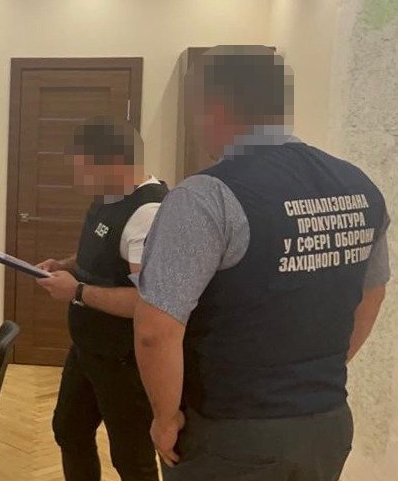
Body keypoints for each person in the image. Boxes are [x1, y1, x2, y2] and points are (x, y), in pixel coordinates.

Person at [134, 45, 390, 481]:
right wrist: (315, 376)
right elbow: (373, 292)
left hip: (231, 434)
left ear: (214, 108)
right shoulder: (358, 186)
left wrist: (164, 418)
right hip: (326, 424)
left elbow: (156, 330)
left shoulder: (205, 196)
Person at [35, 116, 166, 481]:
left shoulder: (149, 213)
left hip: (125, 359)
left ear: (115, 162)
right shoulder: (107, 197)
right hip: (89, 348)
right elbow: (103, 255)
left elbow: (148, 302)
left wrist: (76, 291)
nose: (78, 179)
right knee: (69, 430)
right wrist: (65, 265)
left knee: (131, 458)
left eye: (83, 170)